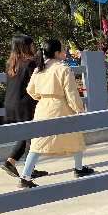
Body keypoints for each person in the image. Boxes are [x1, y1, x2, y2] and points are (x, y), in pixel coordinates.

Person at [18, 40, 95, 188]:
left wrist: (42, 98)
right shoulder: (63, 69)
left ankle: (25, 176)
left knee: (37, 143)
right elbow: (71, 94)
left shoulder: (39, 69)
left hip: (43, 107)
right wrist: (80, 110)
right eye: (63, 51)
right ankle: (78, 168)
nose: (65, 53)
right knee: (75, 137)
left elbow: (30, 90)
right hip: (61, 107)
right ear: (57, 53)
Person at [2, 35, 47, 180]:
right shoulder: (29, 64)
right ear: (26, 46)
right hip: (24, 103)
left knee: (28, 135)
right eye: (32, 45)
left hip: (10, 103)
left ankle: (25, 166)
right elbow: (37, 82)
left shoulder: (10, 64)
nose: (33, 47)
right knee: (30, 135)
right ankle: (13, 162)